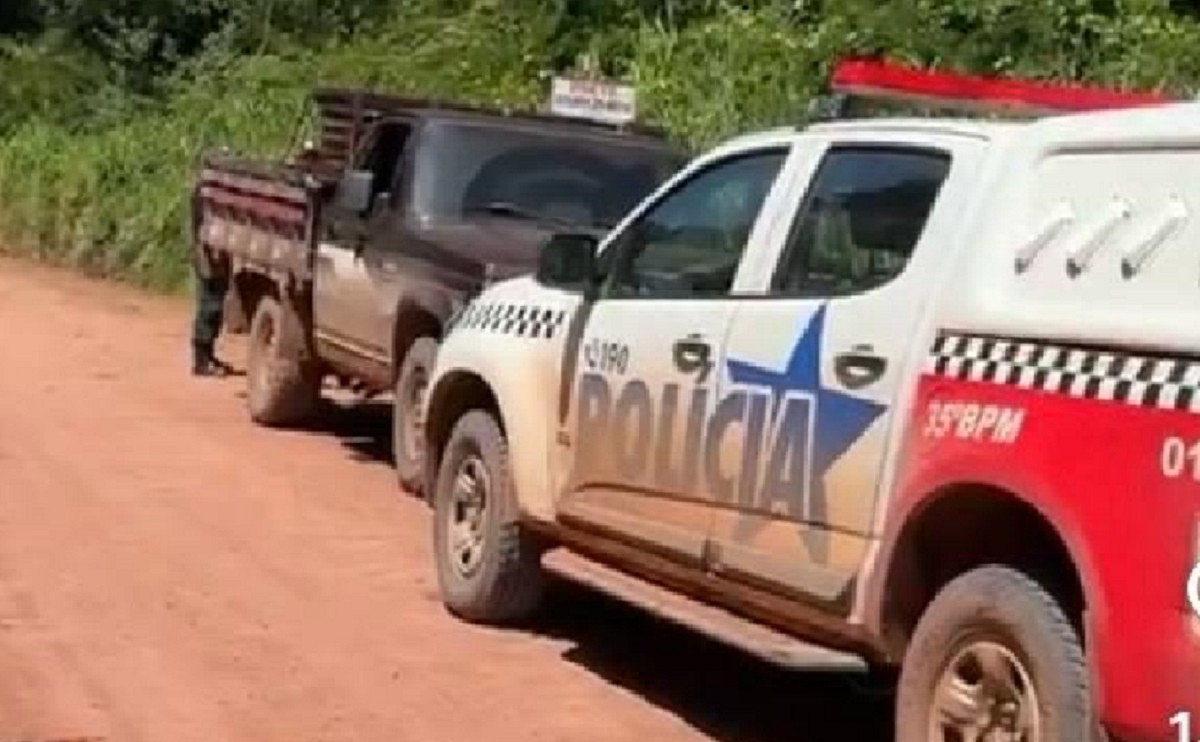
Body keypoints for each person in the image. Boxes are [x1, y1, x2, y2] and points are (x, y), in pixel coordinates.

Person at [188, 183, 235, 377]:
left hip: (211, 255)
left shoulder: (205, 192)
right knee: (210, 306)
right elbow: (204, 229)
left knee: (213, 305)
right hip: (208, 256)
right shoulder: (205, 195)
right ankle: (202, 361)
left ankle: (206, 356)